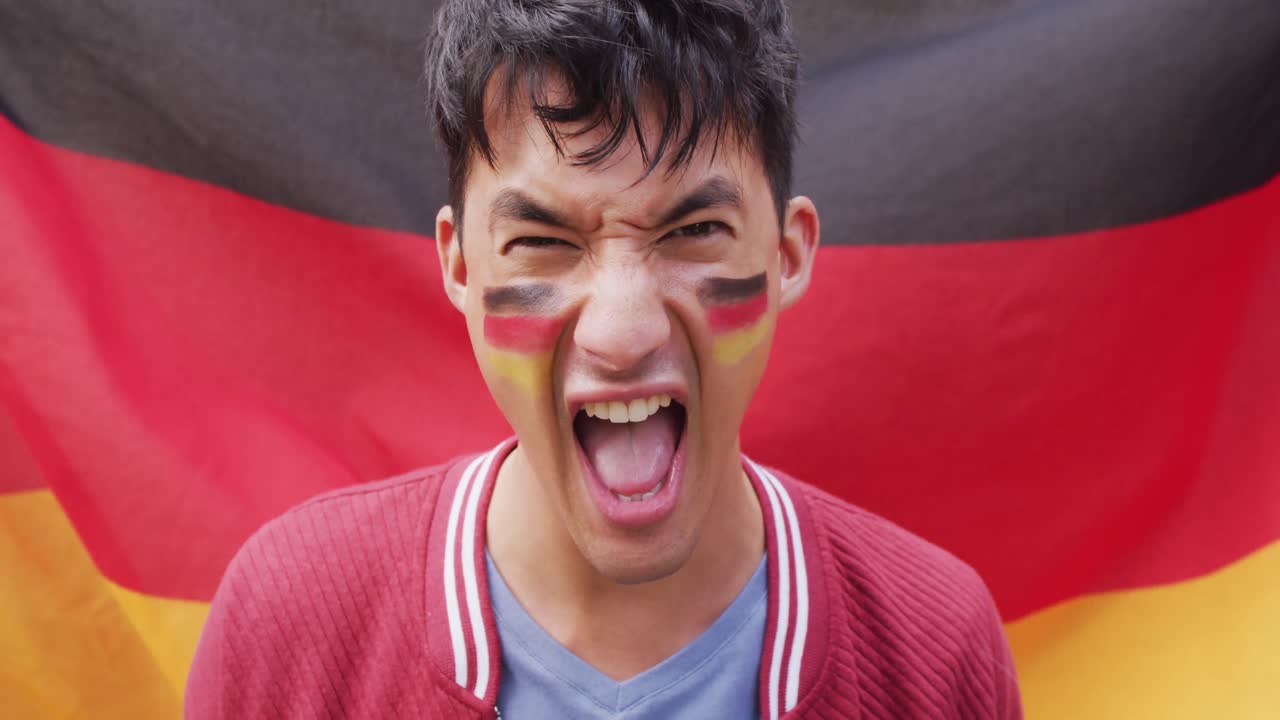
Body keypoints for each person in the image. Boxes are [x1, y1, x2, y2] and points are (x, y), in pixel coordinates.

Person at [185, 1, 1022, 717]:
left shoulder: (932, 652)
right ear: (462, 268)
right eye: (542, 243)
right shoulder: (290, 628)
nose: (621, 335)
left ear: (789, 254)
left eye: (694, 231)